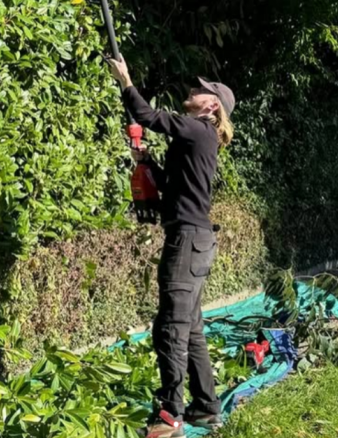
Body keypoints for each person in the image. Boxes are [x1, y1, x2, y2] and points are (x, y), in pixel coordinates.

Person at [108, 57, 235, 438]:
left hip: (188, 242)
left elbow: (148, 116)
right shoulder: (199, 138)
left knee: (171, 328)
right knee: (191, 328)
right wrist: (148, 163)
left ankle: (169, 417)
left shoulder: (198, 130)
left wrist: (126, 80)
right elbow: (175, 192)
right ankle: (207, 407)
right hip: (194, 238)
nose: (192, 92)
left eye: (200, 91)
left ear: (212, 105)